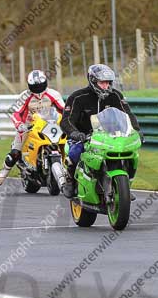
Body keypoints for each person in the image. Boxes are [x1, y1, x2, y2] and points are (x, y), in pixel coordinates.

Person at [60, 64, 142, 199]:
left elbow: (128, 114)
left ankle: (124, 186)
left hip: (110, 136)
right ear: (92, 81)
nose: (106, 86)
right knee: (75, 152)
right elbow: (66, 120)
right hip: (83, 137)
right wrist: (75, 133)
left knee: (129, 153)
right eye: (102, 82)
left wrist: (137, 131)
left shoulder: (115, 95)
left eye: (108, 82)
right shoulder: (77, 97)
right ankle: (70, 181)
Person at [0, 70, 65, 185]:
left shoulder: (53, 94)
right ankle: (4, 172)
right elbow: (16, 113)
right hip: (28, 127)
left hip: (50, 125)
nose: (38, 89)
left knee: (69, 143)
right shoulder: (25, 96)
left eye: (40, 85)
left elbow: (64, 109)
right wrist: (19, 125)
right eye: (35, 86)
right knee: (15, 152)